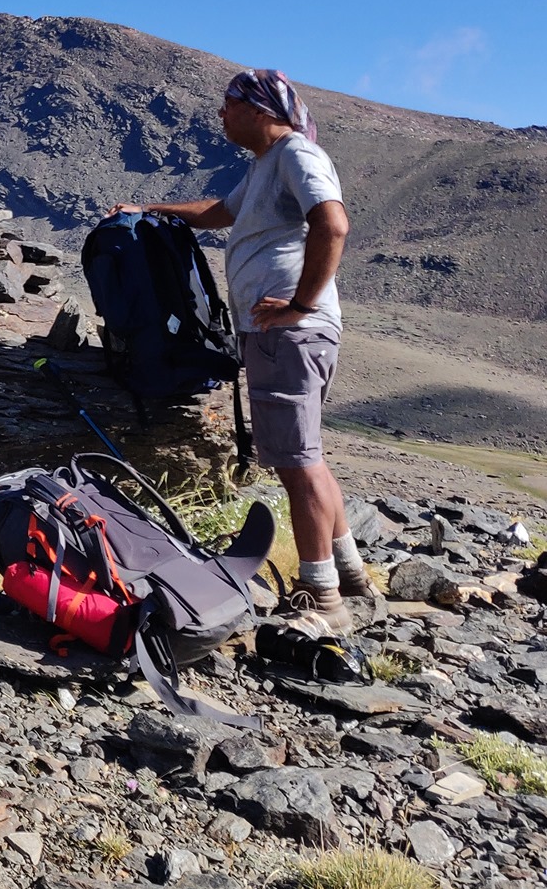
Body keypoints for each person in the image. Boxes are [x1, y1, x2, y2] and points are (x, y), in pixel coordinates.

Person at [109, 69, 369, 630]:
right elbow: (219, 213)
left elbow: (334, 224)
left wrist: (299, 307)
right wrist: (149, 208)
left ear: (258, 108)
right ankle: (351, 576)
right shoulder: (265, 167)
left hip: (291, 333)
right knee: (306, 456)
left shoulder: (297, 155)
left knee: (297, 464)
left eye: (228, 105)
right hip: (282, 335)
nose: (221, 115)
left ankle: (322, 600)